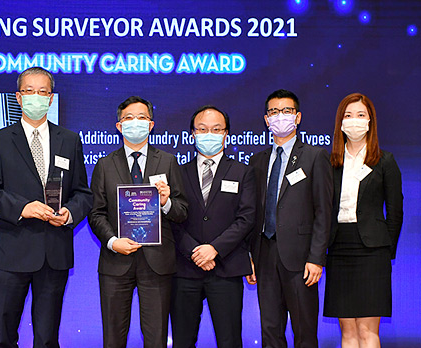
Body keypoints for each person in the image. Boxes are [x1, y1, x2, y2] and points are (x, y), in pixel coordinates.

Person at [0, 67, 92, 348]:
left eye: (43, 92)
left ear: (51, 98)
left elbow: (83, 193)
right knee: (3, 338)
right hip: (10, 252)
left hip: (54, 253)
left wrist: (70, 214)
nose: (36, 97)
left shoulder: (69, 139)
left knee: (47, 338)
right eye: (29, 91)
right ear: (18, 97)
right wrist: (23, 208)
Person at [88, 96, 188, 348]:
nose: (136, 123)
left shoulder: (167, 161)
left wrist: (165, 202)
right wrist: (112, 242)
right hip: (115, 262)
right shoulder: (104, 165)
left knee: (156, 339)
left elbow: (182, 211)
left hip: (157, 263)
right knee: (113, 338)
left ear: (151, 124)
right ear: (119, 126)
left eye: (142, 117)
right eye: (129, 118)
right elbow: (96, 212)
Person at [248, 89, 333, 348]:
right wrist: (250, 256)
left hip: (301, 259)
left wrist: (316, 258)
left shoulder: (314, 156)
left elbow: (323, 211)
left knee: (304, 330)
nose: (280, 117)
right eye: (274, 112)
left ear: (297, 117)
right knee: (270, 330)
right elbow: (252, 212)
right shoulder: (258, 160)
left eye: (286, 111)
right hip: (265, 255)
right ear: (266, 119)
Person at [170, 106, 256, 348]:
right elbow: (170, 217)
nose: (210, 134)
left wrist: (214, 249)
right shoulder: (177, 171)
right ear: (192, 134)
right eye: (203, 129)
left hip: (226, 268)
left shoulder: (243, 172)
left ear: (226, 134)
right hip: (185, 270)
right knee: (182, 341)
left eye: (216, 129)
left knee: (229, 340)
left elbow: (246, 218)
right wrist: (195, 251)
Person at [324, 93, 403, 347]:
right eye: (348, 116)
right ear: (340, 122)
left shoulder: (385, 160)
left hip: (373, 251)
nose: (354, 121)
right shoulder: (331, 162)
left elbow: (395, 212)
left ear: (370, 121)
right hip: (339, 248)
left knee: (368, 332)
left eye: (360, 115)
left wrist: (385, 248)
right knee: (347, 332)